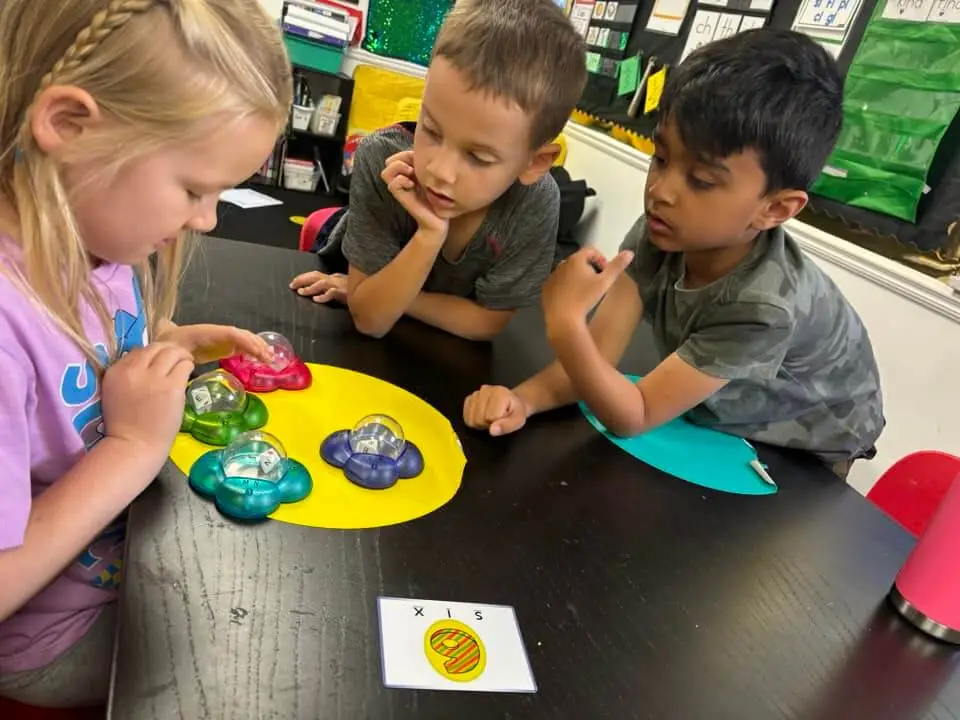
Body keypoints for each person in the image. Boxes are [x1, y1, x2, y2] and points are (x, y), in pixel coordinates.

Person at [0, 0, 291, 708]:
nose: (207, 219)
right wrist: (132, 444)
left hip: (130, 563)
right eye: (195, 189)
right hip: (51, 641)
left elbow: (74, 380)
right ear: (69, 126)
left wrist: (159, 345)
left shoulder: (94, 237)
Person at [463, 29, 885, 478]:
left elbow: (634, 415)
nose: (660, 191)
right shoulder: (659, 233)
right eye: (661, 158)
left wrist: (566, 323)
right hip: (733, 396)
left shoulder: (764, 305)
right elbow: (597, 360)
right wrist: (525, 400)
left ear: (775, 208)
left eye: (701, 180)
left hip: (812, 443)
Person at [289, 0, 586, 341]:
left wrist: (399, 297)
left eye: (478, 157)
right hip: (349, 274)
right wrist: (428, 237)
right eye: (431, 129)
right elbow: (371, 319)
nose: (441, 172)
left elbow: (486, 324)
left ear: (534, 163)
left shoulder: (536, 203)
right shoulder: (380, 155)